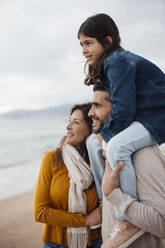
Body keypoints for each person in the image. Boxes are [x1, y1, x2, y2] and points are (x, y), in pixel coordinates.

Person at [78, 13, 165, 247]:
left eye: (89, 43)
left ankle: (126, 218)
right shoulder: (111, 65)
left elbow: (124, 109)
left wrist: (107, 139)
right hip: (149, 116)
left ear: (107, 41)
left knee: (116, 145)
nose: (84, 50)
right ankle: (119, 211)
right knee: (105, 144)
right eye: (81, 44)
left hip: (158, 117)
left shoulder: (116, 61)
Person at [87, 83, 165, 247]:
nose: (90, 113)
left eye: (97, 106)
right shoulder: (116, 152)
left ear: (119, 110)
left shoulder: (143, 155)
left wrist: (113, 194)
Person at [34, 103, 102, 248]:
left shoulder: (97, 162)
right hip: (56, 243)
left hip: (95, 242)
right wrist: (85, 220)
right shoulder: (52, 159)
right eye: (69, 121)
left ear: (90, 129)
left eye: (76, 122)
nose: (68, 127)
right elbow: (40, 212)